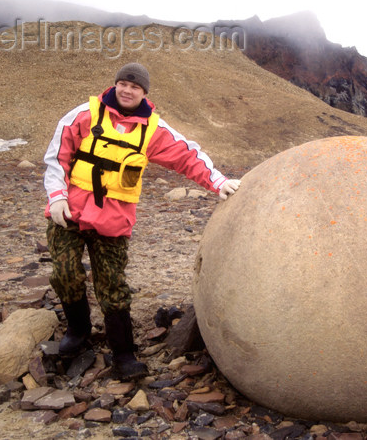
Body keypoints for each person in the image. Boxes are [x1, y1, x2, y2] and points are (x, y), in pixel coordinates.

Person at [43, 62, 241, 380]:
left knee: (113, 287)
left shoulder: (153, 130)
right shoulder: (84, 115)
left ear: (144, 92)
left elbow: (187, 155)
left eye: (135, 86)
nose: (127, 90)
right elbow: (58, 155)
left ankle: (123, 354)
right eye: (123, 83)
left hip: (113, 222)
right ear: (115, 84)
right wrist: (57, 197)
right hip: (70, 214)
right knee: (65, 273)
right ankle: (77, 333)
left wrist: (218, 182)